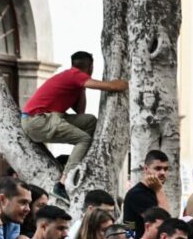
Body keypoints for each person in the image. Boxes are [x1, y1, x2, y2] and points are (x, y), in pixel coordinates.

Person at [20, 51, 128, 199]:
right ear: (90, 67)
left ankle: (82, 162)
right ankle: (62, 184)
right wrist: (125, 84)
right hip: (37, 120)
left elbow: (80, 111)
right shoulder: (74, 74)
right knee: (83, 139)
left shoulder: (74, 80)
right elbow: (110, 87)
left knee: (89, 121)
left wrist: (81, 88)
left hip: (46, 118)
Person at [123, 150, 171, 236]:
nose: (163, 173)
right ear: (146, 169)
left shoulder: (154, 191)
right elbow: (164, 222)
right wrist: (159, 190)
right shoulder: (137, 194)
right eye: (158, 168)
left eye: (166, 169)